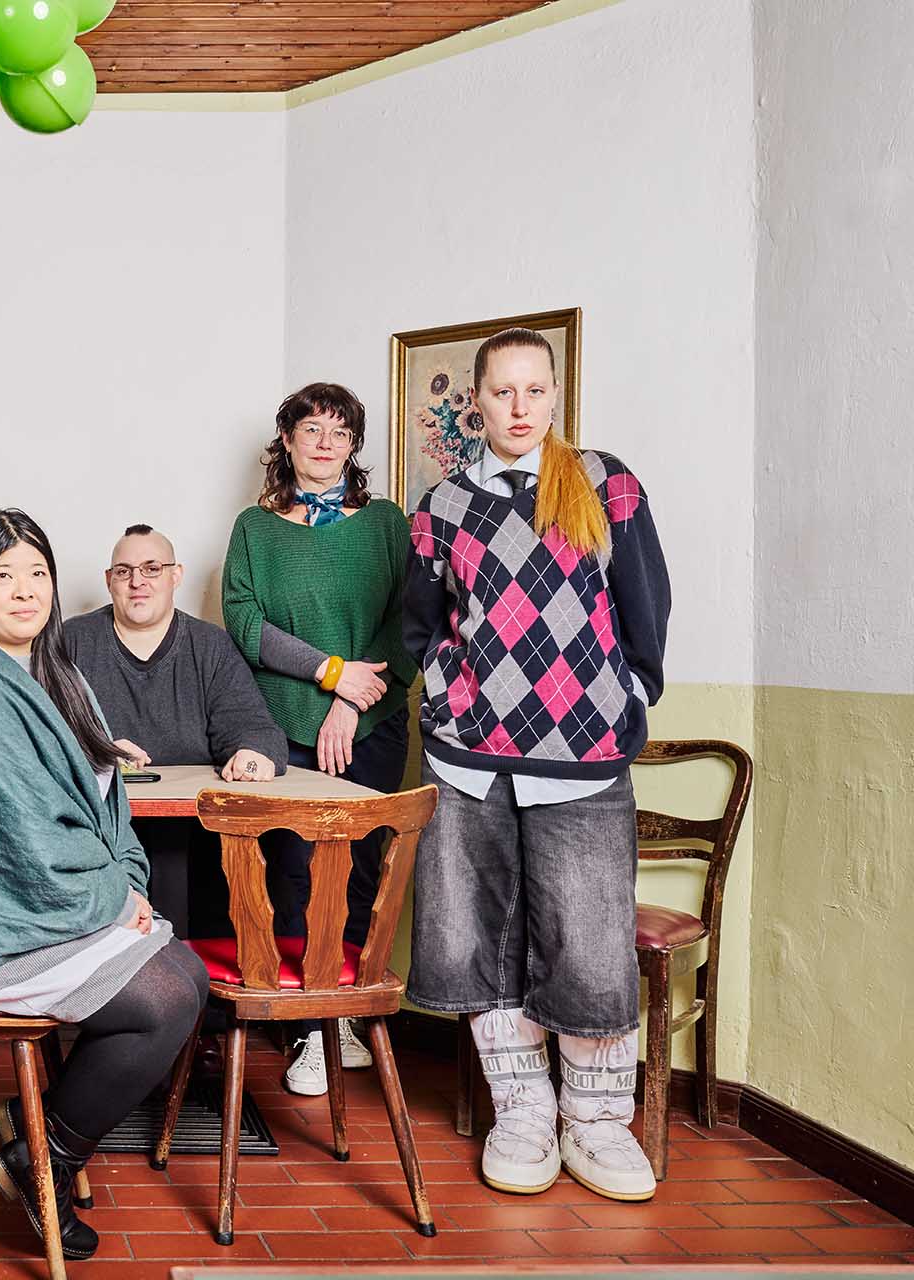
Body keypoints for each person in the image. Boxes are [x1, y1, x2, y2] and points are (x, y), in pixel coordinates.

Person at [0, 509, 208, 1263]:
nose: (24, 591)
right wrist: (116, 901)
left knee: (185, 973)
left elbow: (107, 800)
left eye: (37, 574)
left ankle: (39, 1135)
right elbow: (16, 837)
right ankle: (43, 1158)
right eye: (2, 575)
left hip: (41, 905)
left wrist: (125, 878)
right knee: (166, 996)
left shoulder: (53, 669)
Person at [404, 328, 670, 1203]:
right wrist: (443, 693)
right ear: (475, 402)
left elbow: (646, 600)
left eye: (535, 391)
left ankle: (597, 1122)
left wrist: (630, 694)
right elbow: (420, 623)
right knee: (476, 932)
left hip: (583, 754)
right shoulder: (441, 505)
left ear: (556, 397)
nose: (519, 408)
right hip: (470, 760)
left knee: (588, 936)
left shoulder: (603, 481)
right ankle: (521, 1110)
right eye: (502, 392)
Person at [220, 383, 415, 1096]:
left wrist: (353, 708)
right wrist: (331, 674)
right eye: (311, 429)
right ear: (288, 441)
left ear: (355, 445)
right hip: (286, 726)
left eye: (340, 431)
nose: (326, 442)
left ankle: (347, 1014)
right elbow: (244, 623)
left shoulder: (387, 524)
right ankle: (307, 1029)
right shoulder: (255, 527)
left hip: (372, 725)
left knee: (361, 869)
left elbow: (406, 627)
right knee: (295, 872)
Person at [64, 522, 287, 940]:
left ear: (175, 576)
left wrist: (251, 754)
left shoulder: (210, 646)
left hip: (194, 837)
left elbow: (256, 731)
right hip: (100, 829)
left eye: (151, 569)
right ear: (109, 581)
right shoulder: (71, 642)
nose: (137, 583)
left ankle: (191, 986)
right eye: (124, 571)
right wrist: (93, 749)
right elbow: (37, 737)